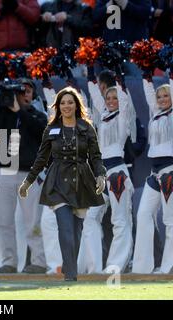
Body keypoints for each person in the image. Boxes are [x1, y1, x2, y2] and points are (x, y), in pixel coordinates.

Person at [19, 86, 106, 281]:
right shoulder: (51, 128)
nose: (66, 106)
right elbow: (41, 158)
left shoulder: (86, 127)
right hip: (57, 181)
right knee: (65, 227)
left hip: (82, 181)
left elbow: (96, 156)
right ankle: (71, 276)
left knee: (76, 232)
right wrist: (28, 182)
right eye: (63, 103)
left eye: (70, 102)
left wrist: (101, 175)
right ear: (58, 106)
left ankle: (69, 266)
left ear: (76, 105)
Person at [80, 72, 135, 274]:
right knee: (90, 218)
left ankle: (115, 266)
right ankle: (94, 267)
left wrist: (120, 79)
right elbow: (95, 98)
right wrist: (91, 74)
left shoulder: (124, 120)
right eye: (108, 98)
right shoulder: (101, 118)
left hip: (118, 173)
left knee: (120, 220)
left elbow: (124, 100)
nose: (111, 101)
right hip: (100, 175)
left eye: (115, 98)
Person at [0, 78, 48, 274]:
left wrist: (20, 112)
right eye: (20, 91)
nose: (24, 94)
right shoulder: (4, 115)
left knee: (32, 221)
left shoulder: (38, 115)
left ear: (33, 95)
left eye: (28, 91)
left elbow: (40, 132)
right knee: (3, 221)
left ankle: (39, 261)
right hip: (4, 171)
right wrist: (2, 103)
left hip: (28, 173)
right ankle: (9, 261)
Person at [133, 76, 173, 274]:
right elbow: (150, 95)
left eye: (167, 95)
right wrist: (147, 76)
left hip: (170, 171)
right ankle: (142, 267)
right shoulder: (155, 114)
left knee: (169, 220)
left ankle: (168, 268)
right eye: (160, 96)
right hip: (154, 172)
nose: (163, 99)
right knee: (143, 215)